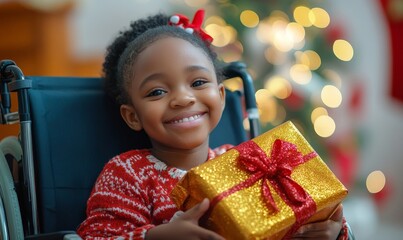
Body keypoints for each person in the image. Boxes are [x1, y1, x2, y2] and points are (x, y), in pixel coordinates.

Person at [77, 9, 350, 240]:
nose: (183, 99)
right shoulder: (126, 173)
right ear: (132, 116)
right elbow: (96, 234)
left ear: (220, 96)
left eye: (197, 83)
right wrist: (156, 236)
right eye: (157, 92)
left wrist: (331, 230)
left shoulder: (245, 160)